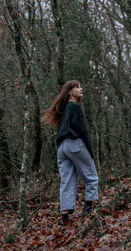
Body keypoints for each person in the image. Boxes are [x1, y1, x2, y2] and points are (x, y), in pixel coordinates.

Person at [41, 80, 99, 225]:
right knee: (91, 177)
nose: (81, 88)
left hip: (62, 148)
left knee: (67, 181)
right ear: (69, 91)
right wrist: (90, 152)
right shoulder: (75, 107)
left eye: (80, 86)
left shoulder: (64, 109)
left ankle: (64, 217)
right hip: (75, 145)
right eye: (77, 87)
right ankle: (88, 208)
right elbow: (83, 131)